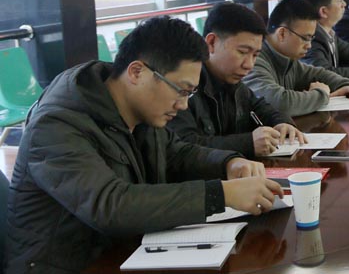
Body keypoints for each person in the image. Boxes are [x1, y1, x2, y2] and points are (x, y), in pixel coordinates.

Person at [5, 16, 282, 274]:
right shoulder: (56, 126)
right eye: (181, 90)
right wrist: (219, 194)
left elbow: (177, 153)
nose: (183, 105)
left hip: (124, 253)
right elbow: (110, 205)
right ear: (137, 72)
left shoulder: (138, 112)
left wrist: (229, 163)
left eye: (190, 93)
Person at [167, 3, 307, 158]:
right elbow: (184, 145)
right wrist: (247, 143)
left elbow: (262, 108)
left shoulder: (233, 82)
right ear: (211, 43)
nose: (249, 65)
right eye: (242, 52)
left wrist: (282, 123)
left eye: (255, 55)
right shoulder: (184, 86)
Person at [244, 0, 349, 117]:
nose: (309, 45)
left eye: (311, 38)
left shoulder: (288, 60)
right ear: (282, 34)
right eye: (305, 38)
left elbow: (320, 74)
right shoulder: (254, 60)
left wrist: (347, 85)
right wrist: (321, 94)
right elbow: (280, 103)